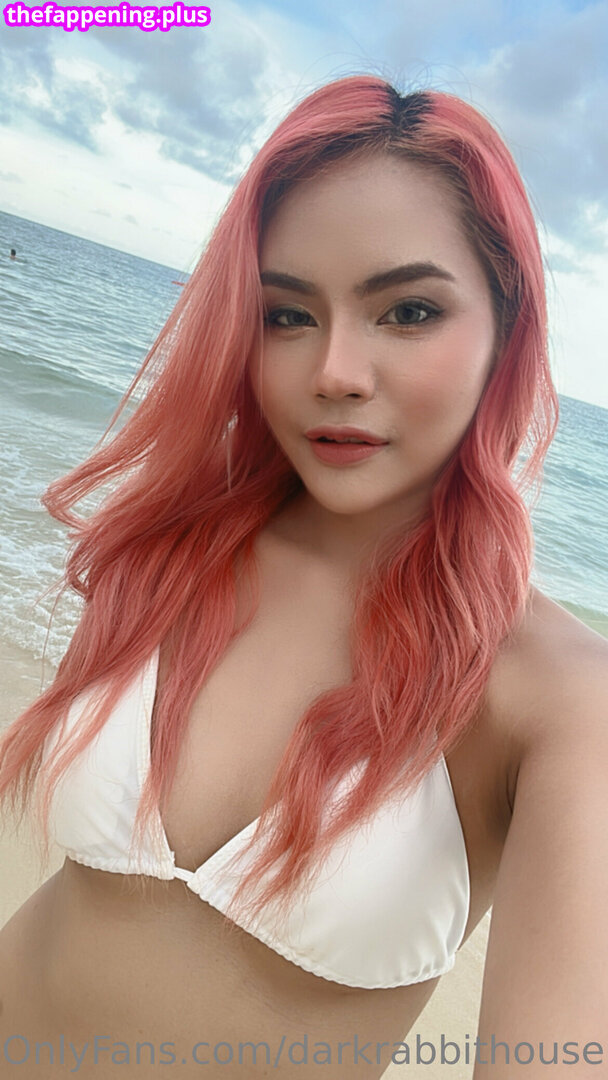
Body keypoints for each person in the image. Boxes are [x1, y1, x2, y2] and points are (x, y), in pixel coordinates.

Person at [0, 74, 607, 1080]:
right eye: (286, 315)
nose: (334, 372)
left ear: (507, 328)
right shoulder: (173, 548)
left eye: (407, 310)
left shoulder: (557, 698)